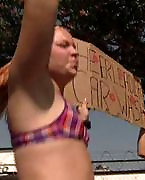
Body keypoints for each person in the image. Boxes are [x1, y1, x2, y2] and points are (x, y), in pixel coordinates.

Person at [6, 0, 94, 180]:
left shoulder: (61, 107)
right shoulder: (29, 91)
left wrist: (82, 121)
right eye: (64, 45)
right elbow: (41, 7)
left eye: (74, 47)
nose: (75, 53)